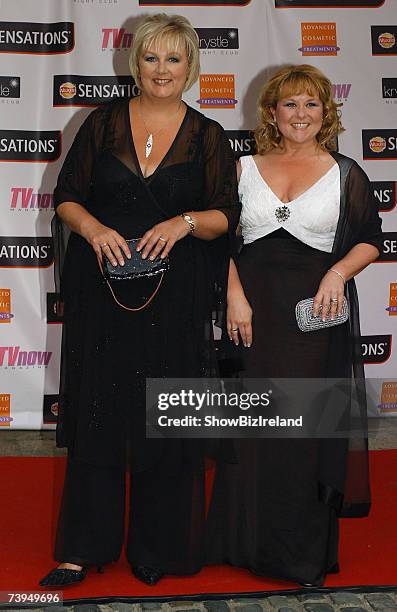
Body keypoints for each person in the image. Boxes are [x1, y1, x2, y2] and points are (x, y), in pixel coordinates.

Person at [40, 13, 239, 588]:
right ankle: (83, 547)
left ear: (191, 67)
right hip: (103, 292)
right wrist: (94, 229)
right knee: (99, 411)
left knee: (165, 416)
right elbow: (66, 198)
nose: (162, 69)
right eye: (152, 57)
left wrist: (184, 222)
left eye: (174, 59)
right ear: (136, 63)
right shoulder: (100, 124)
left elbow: (226, 213)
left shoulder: (208, 136)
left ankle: (159, 547)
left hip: (175, 297)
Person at [205, 64, 382, 586]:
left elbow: (371, 236)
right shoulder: (242, 168)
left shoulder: (346, 171)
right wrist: (233, 297)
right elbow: (221, 239)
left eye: (311, 104)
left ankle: (299, 554)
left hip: (314, 316)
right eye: (290, 104)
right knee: (252, 426)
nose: (300, 114)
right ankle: (242, 543)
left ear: (326, 112)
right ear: (272, 112)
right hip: (251, 313)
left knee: (305, 429)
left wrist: (337, 272)